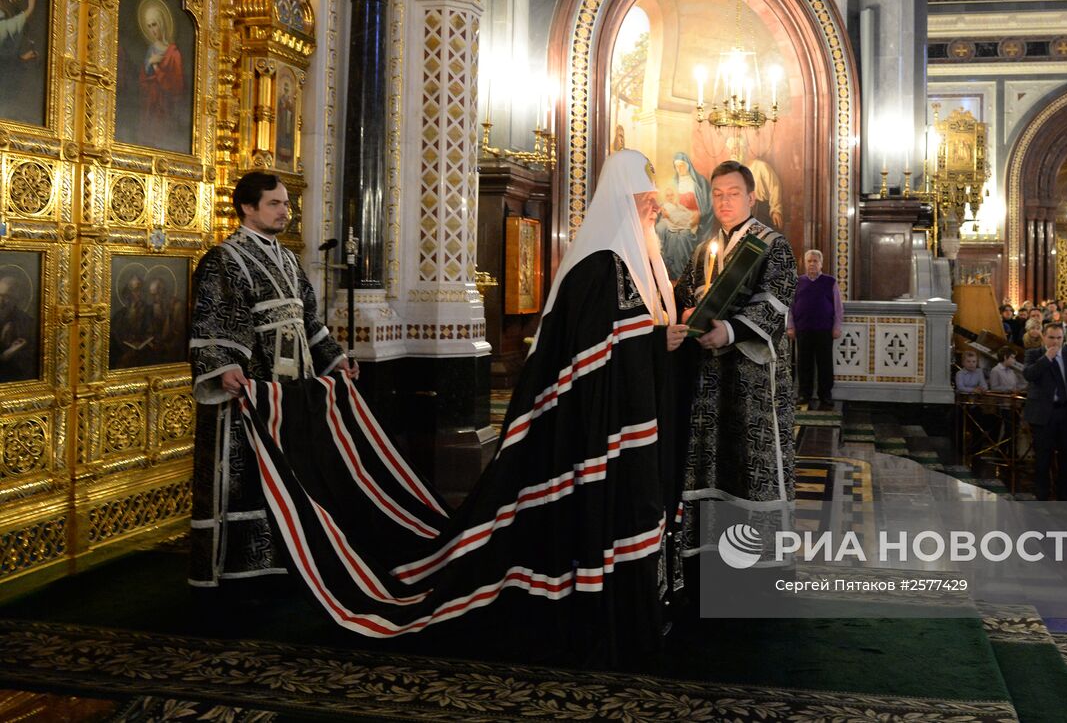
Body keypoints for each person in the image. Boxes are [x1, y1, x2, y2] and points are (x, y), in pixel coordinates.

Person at [229, 150, 692, 656]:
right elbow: (594, 354)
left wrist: (661, 339)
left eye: (654, 202)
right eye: (644, 201)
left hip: (625, 418)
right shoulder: (601, 266)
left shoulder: (637, 259)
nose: (653, 210)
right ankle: (236, 571)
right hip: (594, 429)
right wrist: (654, 341)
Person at [187, 171, 357, 595]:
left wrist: (335, 360)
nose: (286, 211)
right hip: (248, 389)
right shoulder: (224, 258)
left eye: (286, 204)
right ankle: (239, 569)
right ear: (248, 207)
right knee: (243, 471)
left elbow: (308, 320)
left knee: (288, 468)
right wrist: (222, 363)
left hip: (290, 392)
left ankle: (287, 555)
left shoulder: (286, 258)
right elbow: (213, 319)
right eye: (276, 204)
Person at [675, 160, 797, 561]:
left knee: (751, 460)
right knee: (712, 456)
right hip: (710, 377)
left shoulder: (772, 244)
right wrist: (690, 314)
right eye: (719, 194)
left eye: (733, 194)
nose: (725, 201)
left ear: (751, 197)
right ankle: (710, 549)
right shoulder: (702, 249)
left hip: (753, 377)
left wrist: (727, 331)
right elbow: (688, 295)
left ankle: (761, 558)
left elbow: (776, 299)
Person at [1022, 323, 1067, 501]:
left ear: (1064, 338)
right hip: (1043, 415)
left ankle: (1065, 497)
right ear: (1044, 337)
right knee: (1043, 460)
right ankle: (1042, 496)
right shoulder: (1034, 354)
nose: (1055, 341)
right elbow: (1029, 374)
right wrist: (1046, 358)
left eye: (1059, 338)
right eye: (1051, 337)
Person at [786, 249, 842, 411]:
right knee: (804, 363)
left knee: (825, 364)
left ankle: (825, 395)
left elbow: (838, 308)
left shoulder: (830, 282)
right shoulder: (797, 282)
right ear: (804, 263)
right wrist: (790, 326)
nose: (812, 264)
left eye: (815, 261)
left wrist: (837, 327)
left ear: (821, 264)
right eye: (809, 261)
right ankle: (804, 394)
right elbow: (790, 307)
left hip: (824, 329)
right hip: (802, 329)